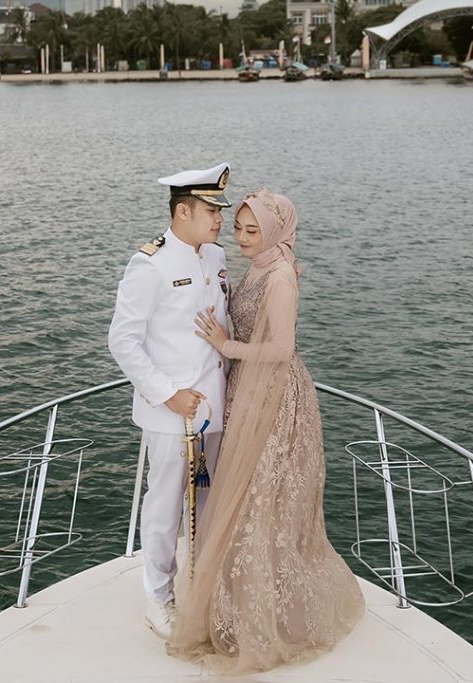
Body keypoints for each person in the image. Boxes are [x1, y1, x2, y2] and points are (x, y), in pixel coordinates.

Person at [167, 189, 365, 674]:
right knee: (243, 498)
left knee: (262, 500)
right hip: (248, 391)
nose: (240, 237)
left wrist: (225, 345)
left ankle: (265, 616)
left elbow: (281, 349)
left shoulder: (279, 278)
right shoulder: (259, 266)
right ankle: (237, 603)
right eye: (237, 227)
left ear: (275, 231)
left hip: (275, 398)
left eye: (252, 231)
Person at [108, 162, 233, 639]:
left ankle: (202, 588)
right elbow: (123, 341)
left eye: (220, 211)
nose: (219, 219)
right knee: (163, 508)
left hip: (213, 406)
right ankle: (158, 599)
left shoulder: (216, 256)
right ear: (183, 212)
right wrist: (167, 394)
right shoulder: (150, 264)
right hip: (171, 414)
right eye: (211, 210)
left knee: (208, 502)